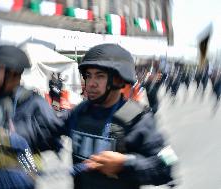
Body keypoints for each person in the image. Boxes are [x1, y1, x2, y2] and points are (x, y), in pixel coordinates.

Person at [65, 44, 177, 189]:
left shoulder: (137, 117)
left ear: (118, 80)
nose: (91, 83)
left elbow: (169, 161)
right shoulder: (80, 111)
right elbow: (44, 132)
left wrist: (126, 163)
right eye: (88, 76)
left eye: (99, 76)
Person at [0, 45, 64, 189]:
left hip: (22, 176)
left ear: (12, 72)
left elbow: (54, 132)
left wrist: (19, 135)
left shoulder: (33, 103)